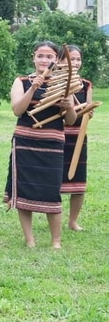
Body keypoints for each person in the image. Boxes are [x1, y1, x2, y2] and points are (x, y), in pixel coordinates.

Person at [4, 41, 76, 249]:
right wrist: (33, 87)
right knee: (24, 189)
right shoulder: (21, 81)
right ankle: (30, 240)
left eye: (50, 57)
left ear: (56, 60)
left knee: (51, 190)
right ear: (33, 57)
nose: (44, 60)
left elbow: (70, 120)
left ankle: (56, 241)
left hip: (52, 143)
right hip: (25, 141)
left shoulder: (64, 82)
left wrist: (68, 106)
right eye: (40, 56)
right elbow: (18, 110)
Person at [59, 45, 92, 231]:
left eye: (78, 59)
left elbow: (88, 109)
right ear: (61, 60)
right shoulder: (54, 84)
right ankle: (52, 214)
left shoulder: (86, 84)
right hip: (58, 136)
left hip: (78, 136)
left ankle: (72, 221)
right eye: (72, 59)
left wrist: (88, 112)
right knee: (55, 178)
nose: (76, 63)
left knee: (79, 181)